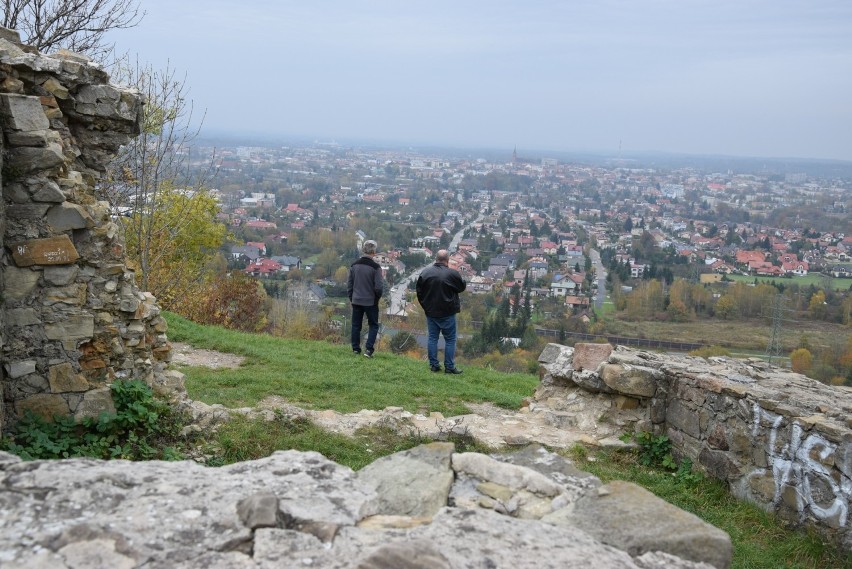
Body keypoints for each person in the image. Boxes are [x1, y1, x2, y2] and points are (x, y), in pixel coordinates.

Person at [416, 249, 467, 374]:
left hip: (431, 312)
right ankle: (449, 366)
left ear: (436, 259)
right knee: (450, 339)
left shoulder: (425, 273)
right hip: (448, 312)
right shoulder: (452, 274)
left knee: (432, 338)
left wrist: (426, 307)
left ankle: (434, 365)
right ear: (447, 260)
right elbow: (461, 287)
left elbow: (419, 292)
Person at [348, 240, 383, 357]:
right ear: (374, 251)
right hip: (370, 301)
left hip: (356, 299)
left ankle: (356, 349)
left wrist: (352, 298)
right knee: (373, 325)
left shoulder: (354, 265)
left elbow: (350, 285)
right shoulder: (376, 267)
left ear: (364, 250)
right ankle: (368, 350)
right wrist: (376, 299)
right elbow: (378, 288)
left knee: (356, 325)